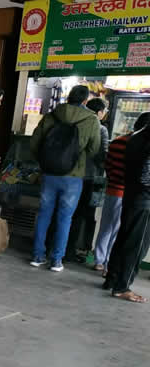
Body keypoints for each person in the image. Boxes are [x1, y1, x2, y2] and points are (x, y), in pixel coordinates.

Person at [29, 85, 101, 272]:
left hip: (49, 174)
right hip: (73, 177)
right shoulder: (91, 120)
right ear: (85, 101)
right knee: (65, 218)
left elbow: (34, 142)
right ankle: (57, 260)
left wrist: (45, 162)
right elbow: (94, 149)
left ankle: (37, 256)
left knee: (44, 214)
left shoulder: (52, 115)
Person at [94, 112, 150, 273]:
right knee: (119, 231)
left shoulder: (117, 142)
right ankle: (109, 265)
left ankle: (99, 260)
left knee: (105, 227)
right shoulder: (140, 145)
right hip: (128, 193)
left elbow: (108, 165)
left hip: (112, 189)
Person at [102, 123, 150, 303]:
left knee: (123, 239)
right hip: (144, 200)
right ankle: (122, 287)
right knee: (136, 246)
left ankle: (112, 279)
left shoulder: (135, 138)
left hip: (131, 195)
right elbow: (146, 176)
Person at [67, 97, 109, 263]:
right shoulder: (100, 129)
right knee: (83, 215)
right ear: (99, 112)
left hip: (70, 174)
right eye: (104, 112)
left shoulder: (75, 122)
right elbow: (101, 155)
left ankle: (60, 248)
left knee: (68, 213)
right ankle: (76, 250)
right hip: (89, 177)